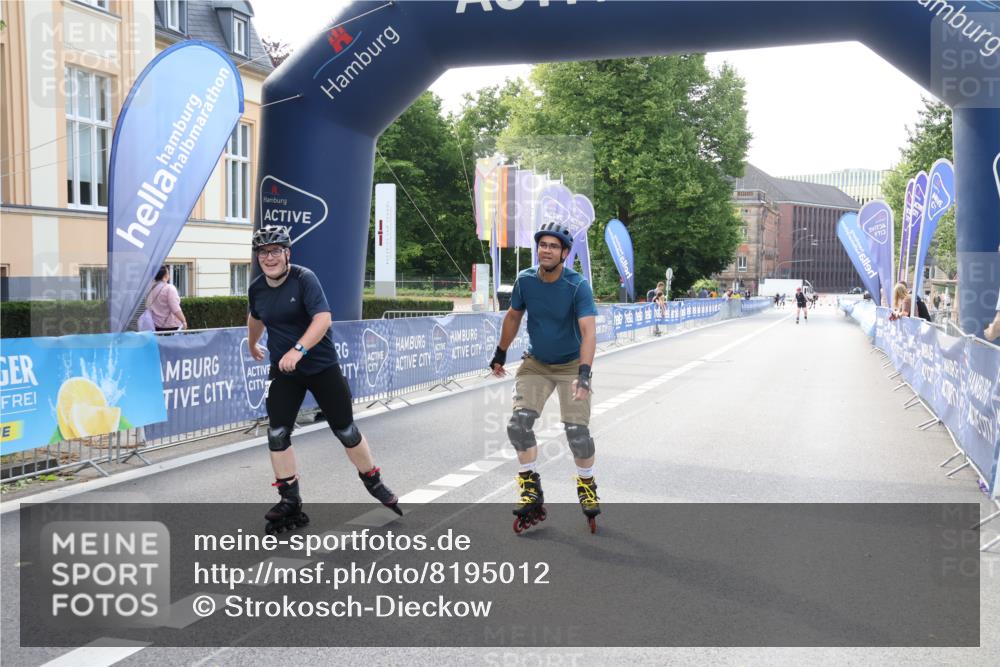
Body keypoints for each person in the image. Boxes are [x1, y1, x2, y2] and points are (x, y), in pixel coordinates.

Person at [247, 225, 401, 533]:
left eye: (275, 251)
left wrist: (299, 349)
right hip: (284, 371)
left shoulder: (304, 279)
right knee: (277, 433)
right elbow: (255, 316)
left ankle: (372, 478)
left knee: (345, 430)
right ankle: (290, 499)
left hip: (320, 367)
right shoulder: (257, 288)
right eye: (263, 253)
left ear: (287, 253)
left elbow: (323, 318)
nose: (269, 258)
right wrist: (253, 343)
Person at [488, 221, 601, 533]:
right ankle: (530, 488)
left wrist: (584, 374)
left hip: (571, 365)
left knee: (577, 433)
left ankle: (587, 484)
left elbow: (588, 331)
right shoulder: (525, 281)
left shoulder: (577, 285)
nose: (546, 250)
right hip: (537, 362)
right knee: (518, 424)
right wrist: (500, 352)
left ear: (564, 253)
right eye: (542, 245)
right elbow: (513, 316)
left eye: (553, 246)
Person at [145, 266, 187, 332]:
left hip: (154, 325)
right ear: (165, 275)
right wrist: (183, 320)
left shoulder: (150, 289)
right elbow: (175, 308)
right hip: (170, 326)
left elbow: (147, 305)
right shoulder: (169, 288)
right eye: (168, 272)